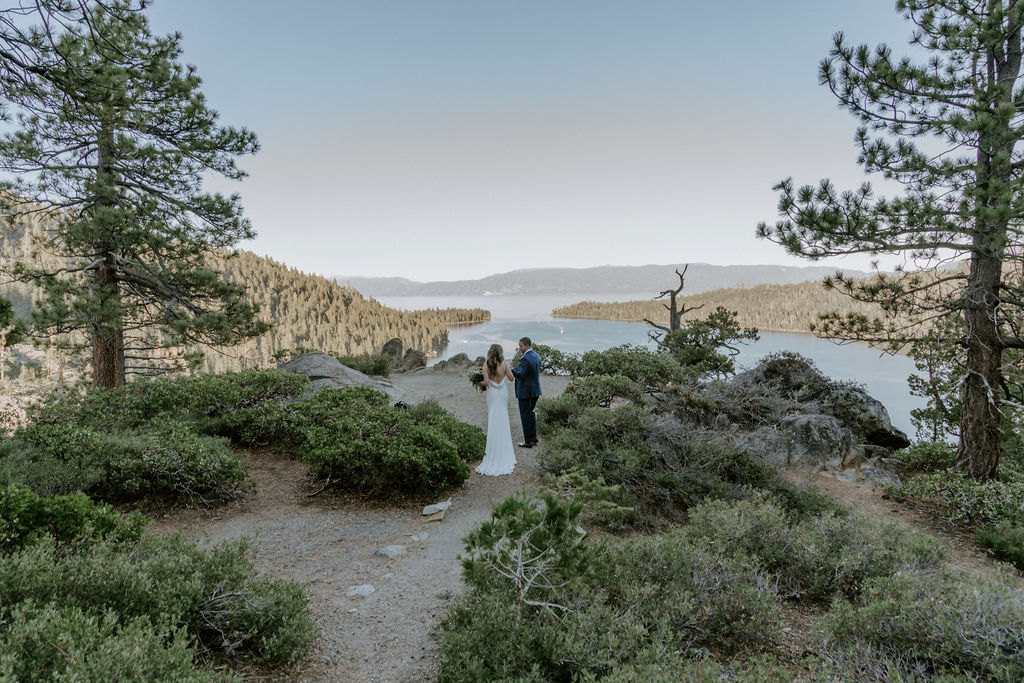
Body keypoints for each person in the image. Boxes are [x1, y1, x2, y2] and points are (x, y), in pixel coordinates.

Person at [475, 343, 517, 476]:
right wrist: (509, 368)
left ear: (490, 352)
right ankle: (505, 452)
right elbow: (511, 379)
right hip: (502, 393)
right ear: (501, 352)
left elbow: (486, 383)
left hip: (492, 394)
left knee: (493, 419)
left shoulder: (486, 365)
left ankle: (493, 450)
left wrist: (477, 381)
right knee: (503, 418)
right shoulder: (505, 363)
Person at [510, 336, 542, 448]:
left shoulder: (525, 358)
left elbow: (521, 375)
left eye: (521, 345)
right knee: (531, 413)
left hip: (525, 392)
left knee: (525, 416)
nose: (519, 348)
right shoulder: (537, 356)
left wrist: (511, 369)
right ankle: (534, 437)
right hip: (536, 390)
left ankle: (527, 441)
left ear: (527, 345)